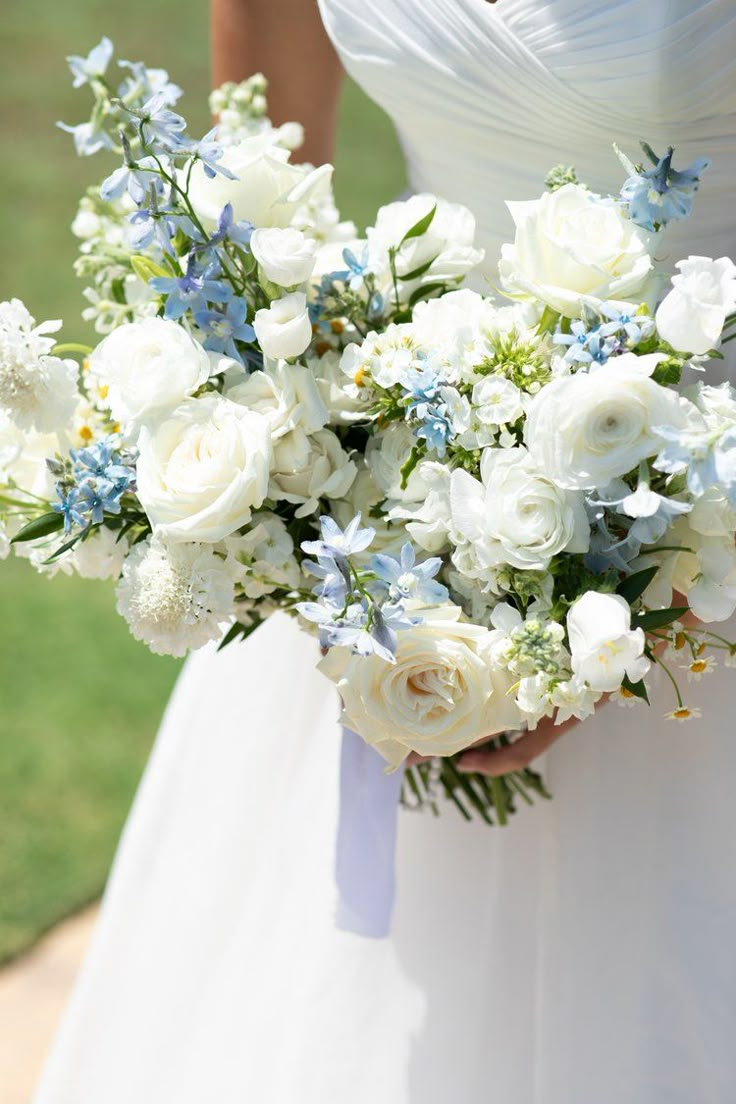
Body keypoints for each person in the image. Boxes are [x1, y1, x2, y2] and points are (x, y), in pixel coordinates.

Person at [35, 2, 736, 1101]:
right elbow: (253, 212)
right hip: (396, 522)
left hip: (706, 534)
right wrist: (311, 511)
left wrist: (643, 598)